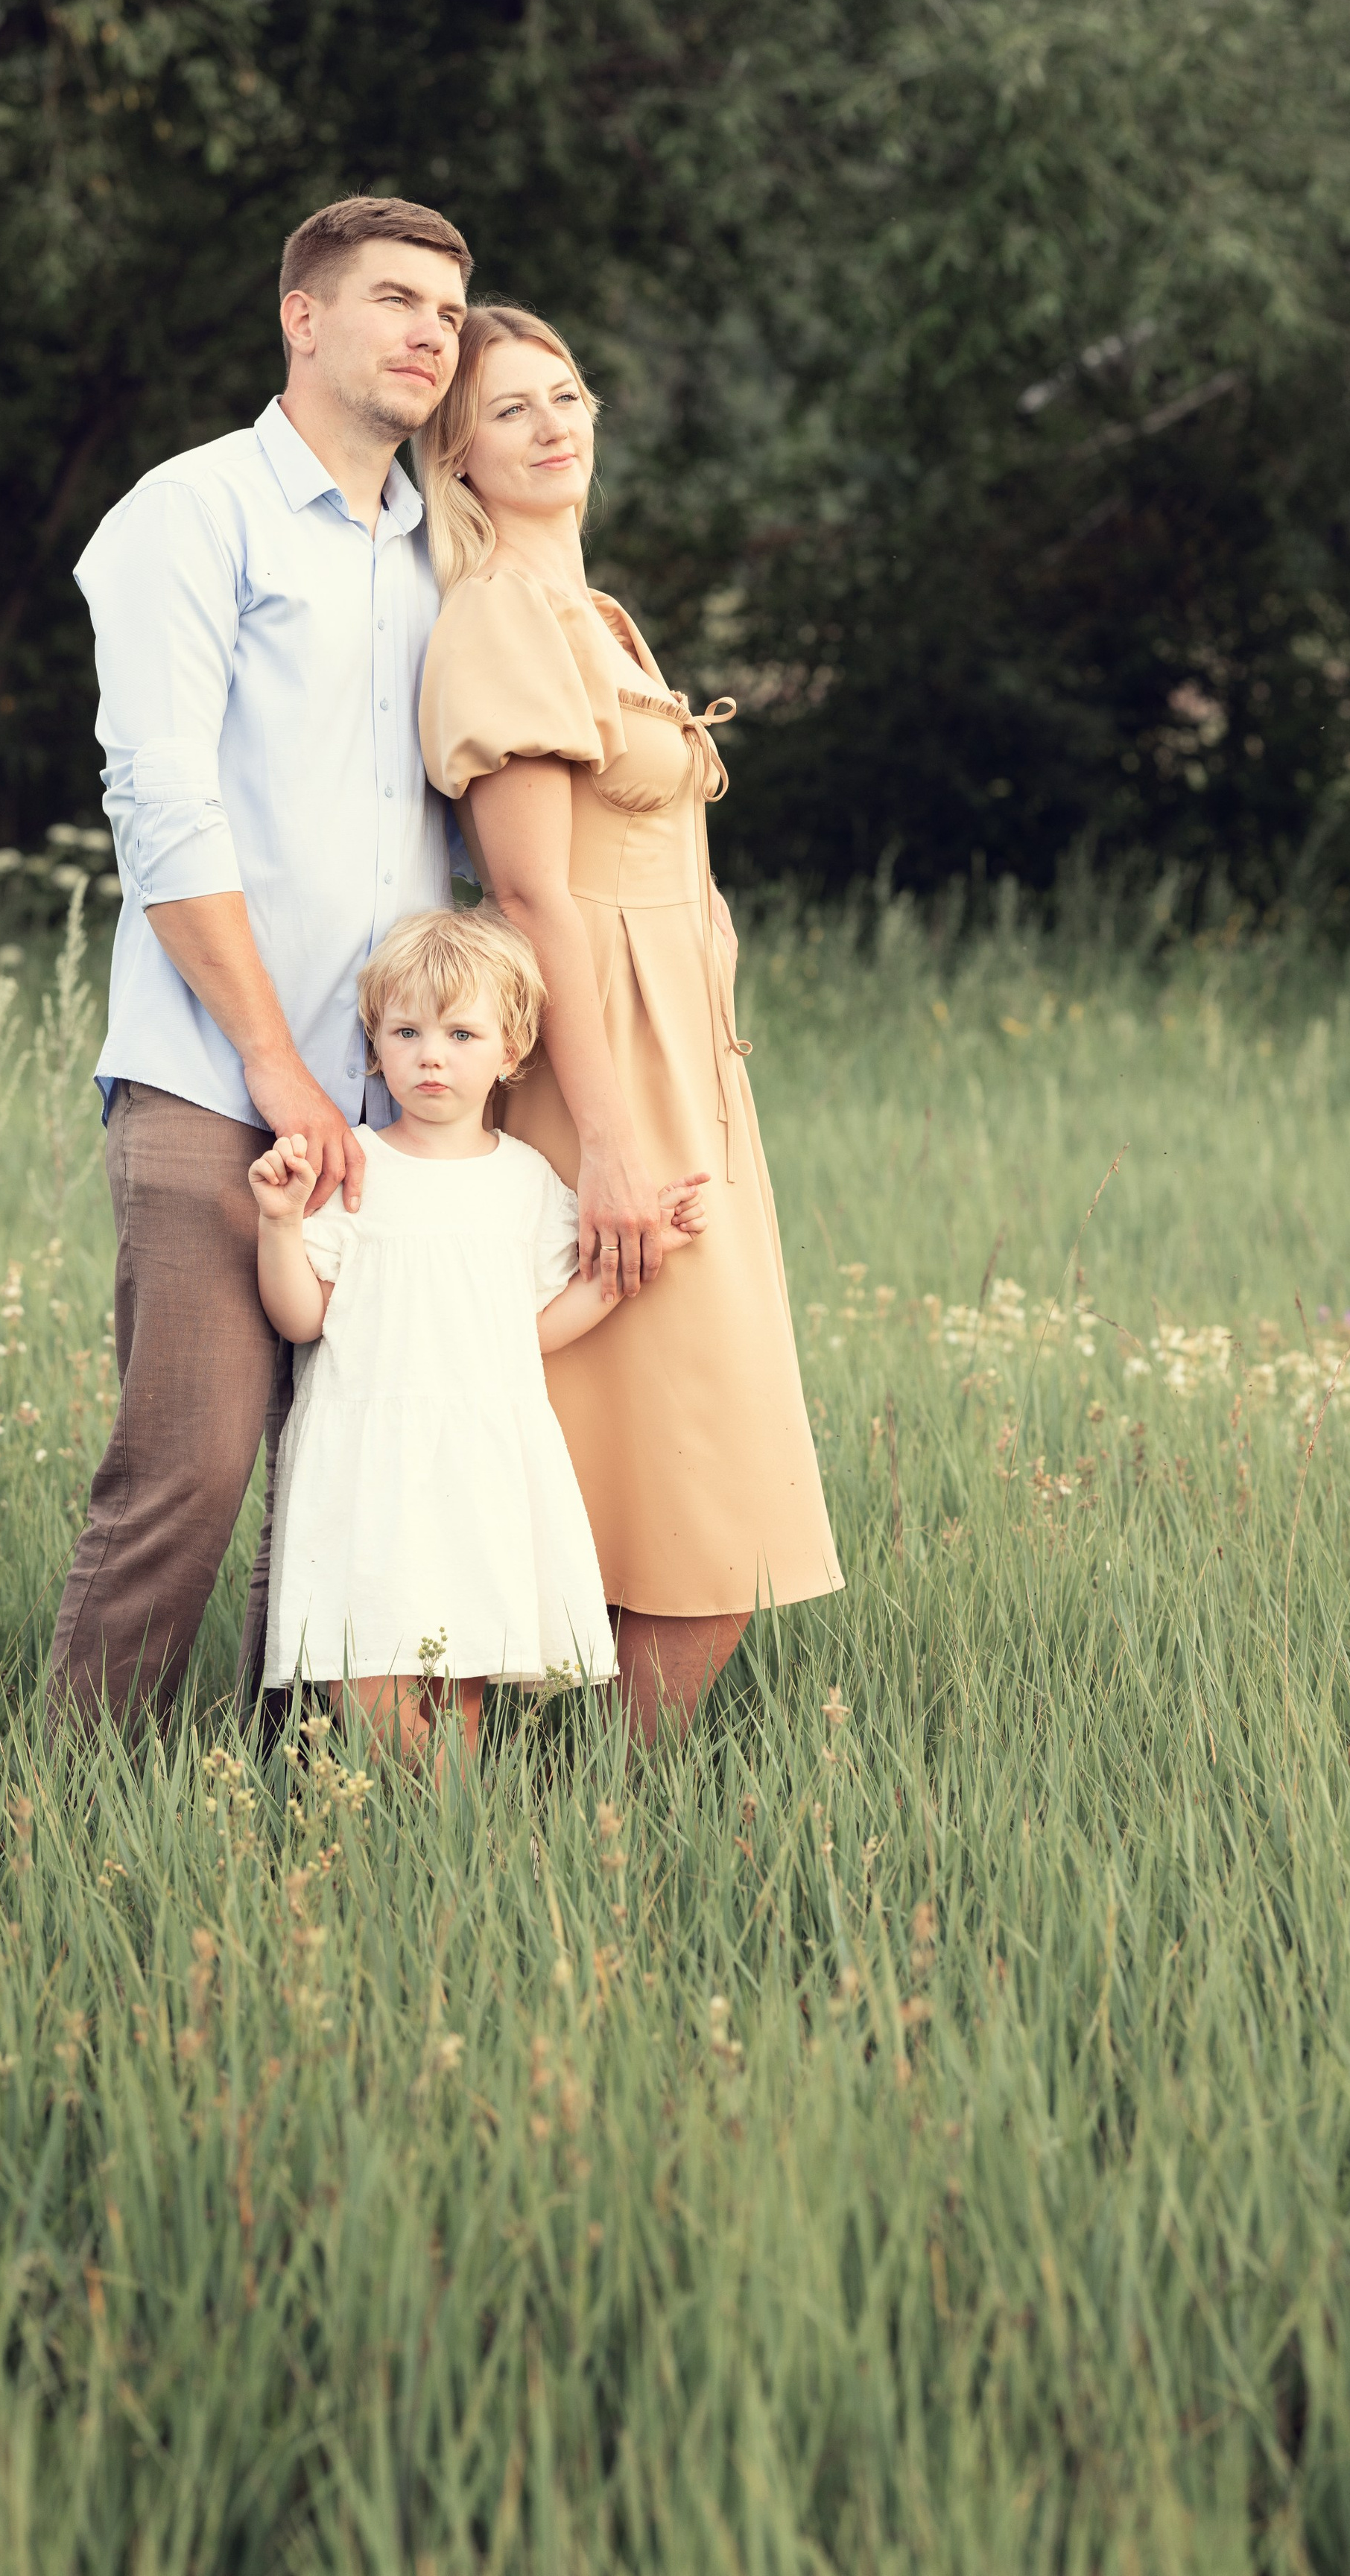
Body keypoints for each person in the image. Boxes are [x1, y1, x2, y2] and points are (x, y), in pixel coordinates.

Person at [46, 194, 474, 1730]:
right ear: (303, 316)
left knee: (353, 1475)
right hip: (214, 1076)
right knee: (195, 1454)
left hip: (402, 1101)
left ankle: (297, 1797)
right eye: (394, 299)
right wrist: (273, 1062)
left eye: (446, 309)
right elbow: (160, 797)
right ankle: (77, 1802)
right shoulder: (192, 509)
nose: (429, 330)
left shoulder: (441, 555)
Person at [416, 304, 843, 1743]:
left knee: (661, 1446)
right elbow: (534, 893)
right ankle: (571, 1804)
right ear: (456, 453)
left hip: (688, 1063)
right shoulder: (501, 616)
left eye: (571, 391)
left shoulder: (597, 615)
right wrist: (605, 1138)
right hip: (611, 1074)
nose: (556, 421)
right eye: (513, 406)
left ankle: (585, 1813)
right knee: (694, 1461)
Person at [247, 908, 708, 1767]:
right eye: (406, 1030)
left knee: (456, 1695)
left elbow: (526, 1335)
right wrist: (278, 1224)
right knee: (373, 1682)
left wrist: (627, 1267)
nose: (431, 1054)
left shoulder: (526, 1182)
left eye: (462, 1033)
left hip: (476, 1469)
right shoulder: (351, 1167)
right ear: (374, 1044)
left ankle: (450, 1861)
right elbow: (302, 1318)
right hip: (367, 1468)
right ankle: (398, 1844)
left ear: (512, 1050)